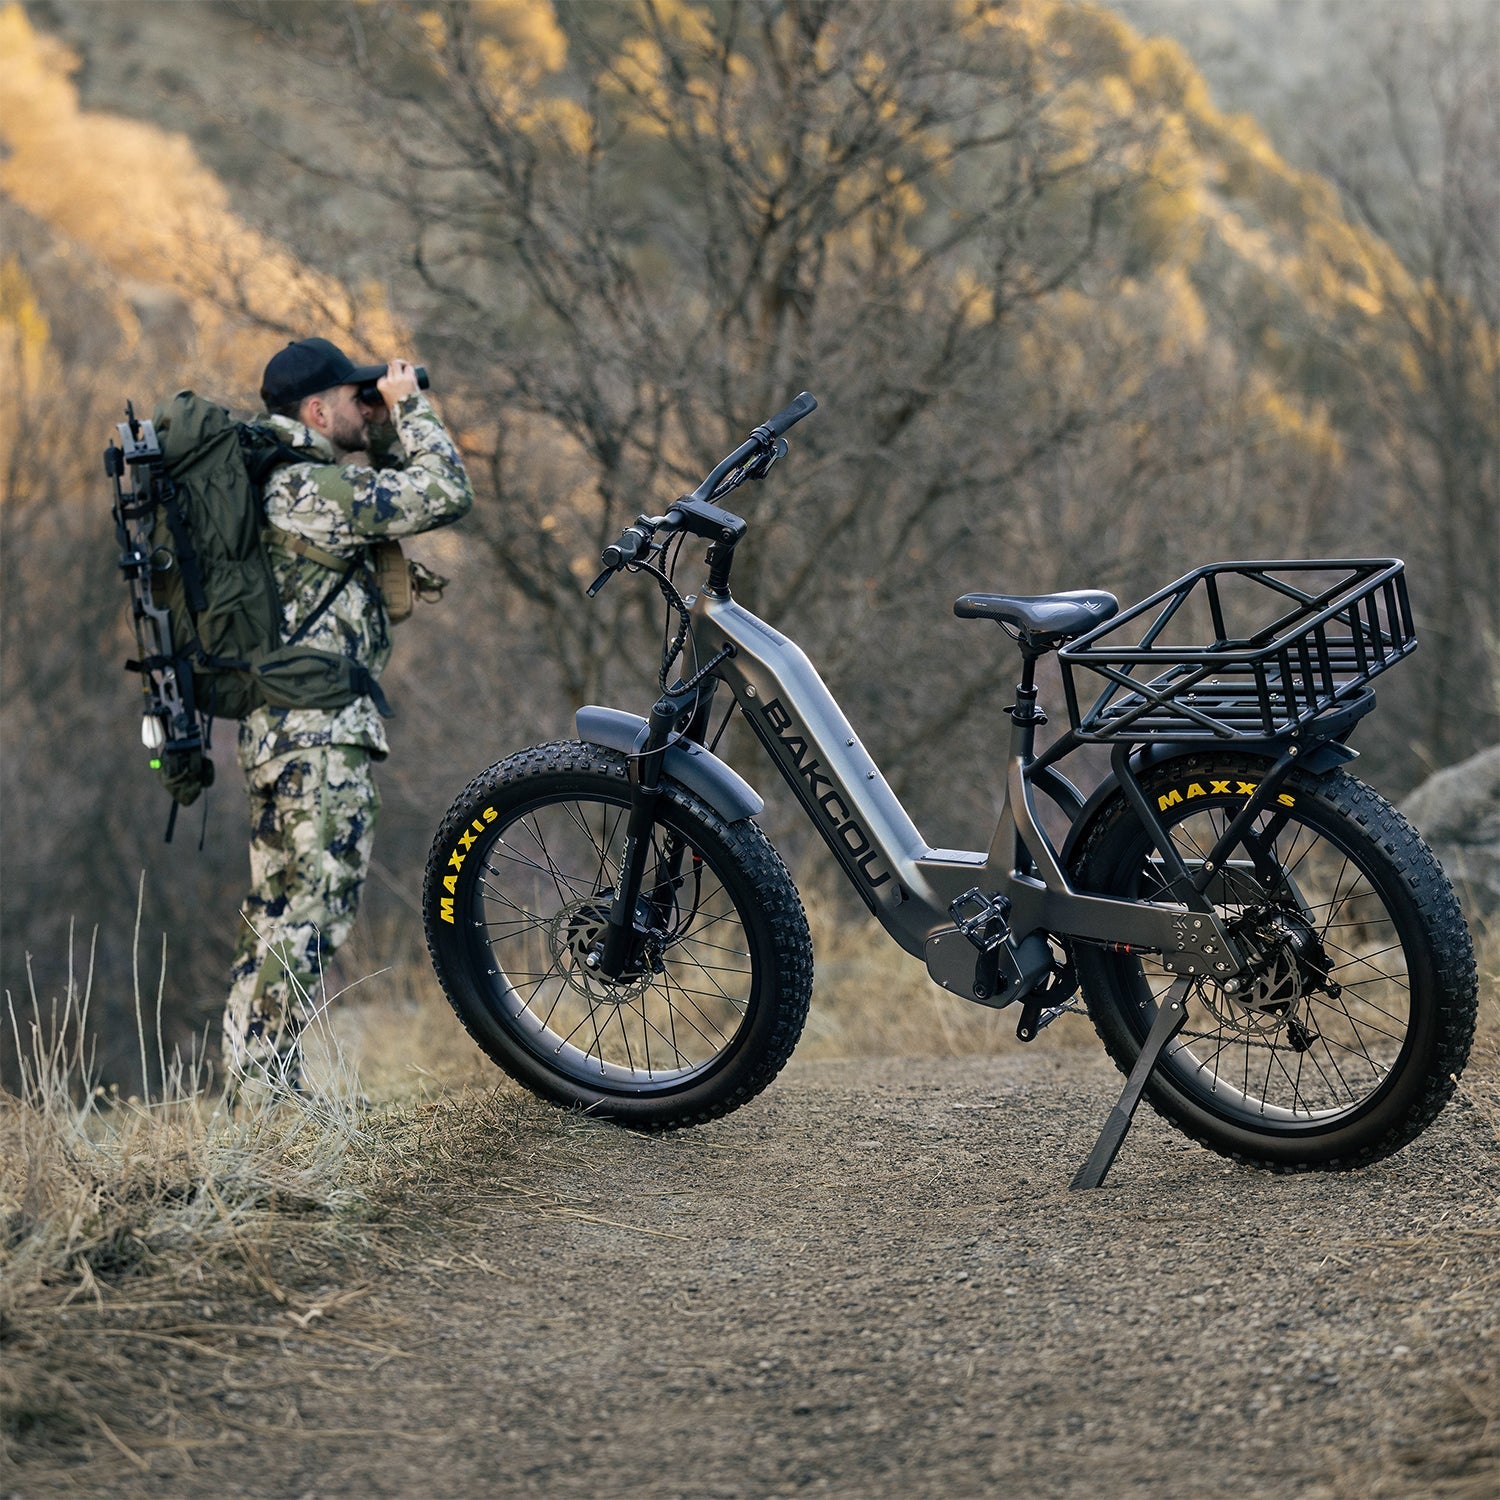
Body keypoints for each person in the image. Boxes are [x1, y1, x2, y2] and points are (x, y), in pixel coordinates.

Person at [222, 337, 473, 1099]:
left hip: (283, 733)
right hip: (319, 736)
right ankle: (266, 1094)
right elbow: (443, 492)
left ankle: (255, 1095)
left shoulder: (285, 483)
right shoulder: (307, 488)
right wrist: (412, 411)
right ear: (315, 408)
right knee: (313, 911)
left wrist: (384, 424)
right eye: (354, 398)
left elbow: (401, 495)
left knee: (275, 915)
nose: (367, 409)